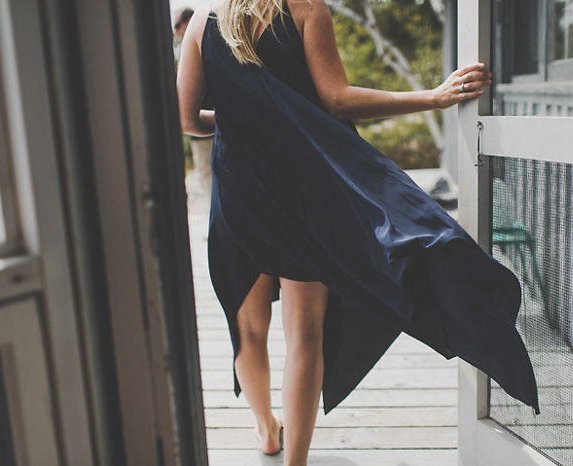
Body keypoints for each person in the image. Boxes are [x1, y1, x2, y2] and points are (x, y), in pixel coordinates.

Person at [177, 1, 539, 465]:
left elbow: (189, 121)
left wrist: (239, 120)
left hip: (241, 191)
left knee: (247, 329)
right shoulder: (307, 9)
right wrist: (433, 96)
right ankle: (296, 462)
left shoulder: (204, 24)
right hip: (302, 192)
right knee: (305, 334)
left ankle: (266, 430)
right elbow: (337, 99)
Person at [173, 7, 215, 224]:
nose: (177, 31)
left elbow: (186, 118)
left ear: (188, 21)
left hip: (207, 127)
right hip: (208, 130)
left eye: (178, 25)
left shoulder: (199, 40)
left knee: (211, 180)